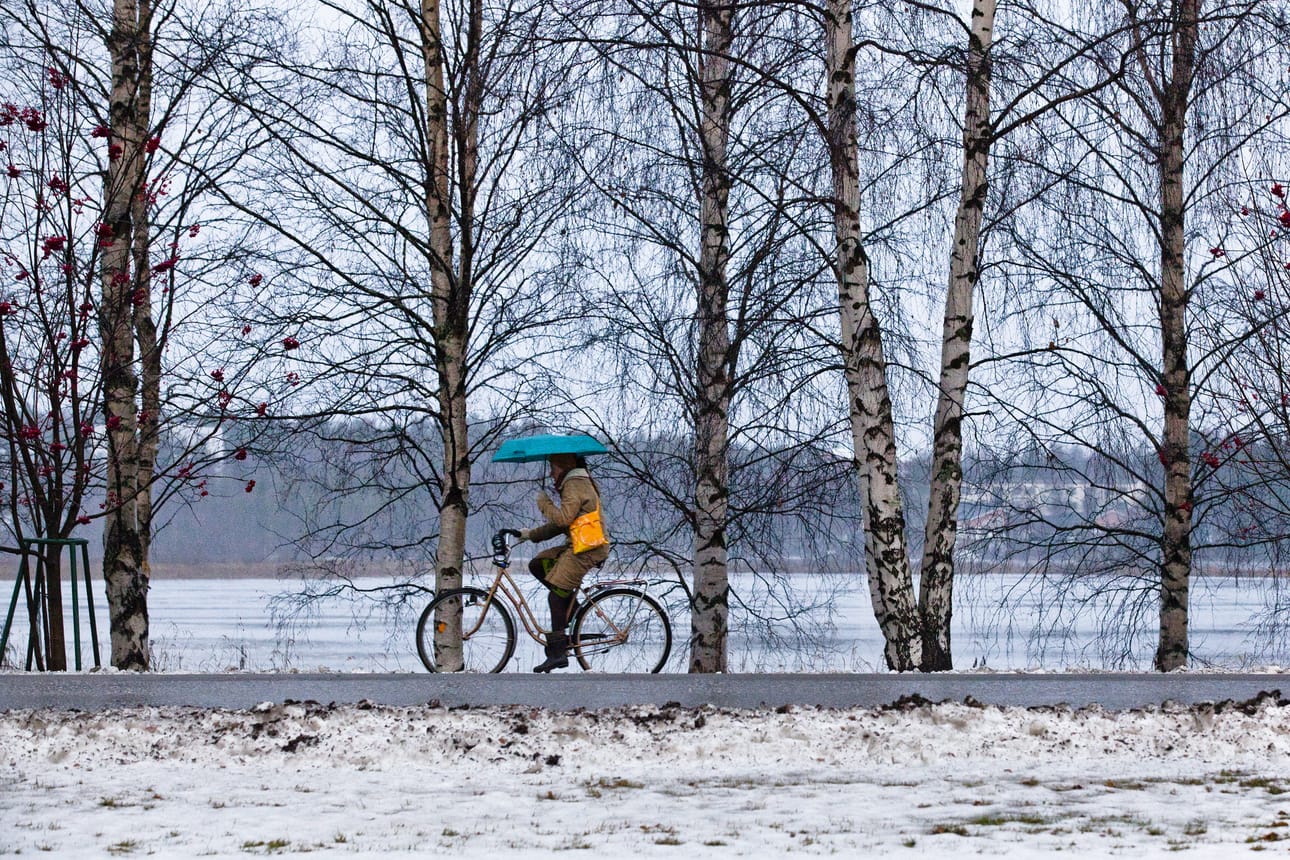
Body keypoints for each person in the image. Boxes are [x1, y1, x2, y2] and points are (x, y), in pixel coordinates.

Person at [517, 452, 610, 672]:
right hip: (580, 544)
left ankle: (558, 653)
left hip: (588, 549)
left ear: (565, 465)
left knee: (556, 594)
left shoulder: (575, 484)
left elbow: (562, 519)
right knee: (538, 565)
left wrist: (544, 504)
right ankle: (572, 612)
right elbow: (562, 525)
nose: (551, 473)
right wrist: (530, 535)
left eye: (553, 467)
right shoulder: (577, 482)